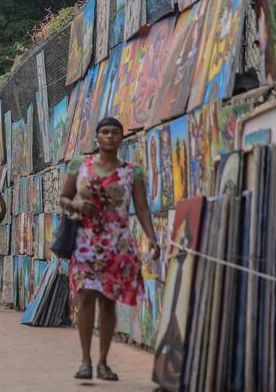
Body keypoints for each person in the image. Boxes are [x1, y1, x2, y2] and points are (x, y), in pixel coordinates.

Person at [58, 117, 160, 382]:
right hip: (85, 243)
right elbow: (63, 198)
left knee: (108, 303)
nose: (110, 137)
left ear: (121, 138)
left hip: (117, 246)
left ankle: (103, 361)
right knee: (85, 297)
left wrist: (152, 238)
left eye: (115, 133)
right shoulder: (81, 165)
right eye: (105, 132)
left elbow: (142, 208)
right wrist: (78, 207)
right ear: (97, 137)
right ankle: (85, 360)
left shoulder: (132, 171)